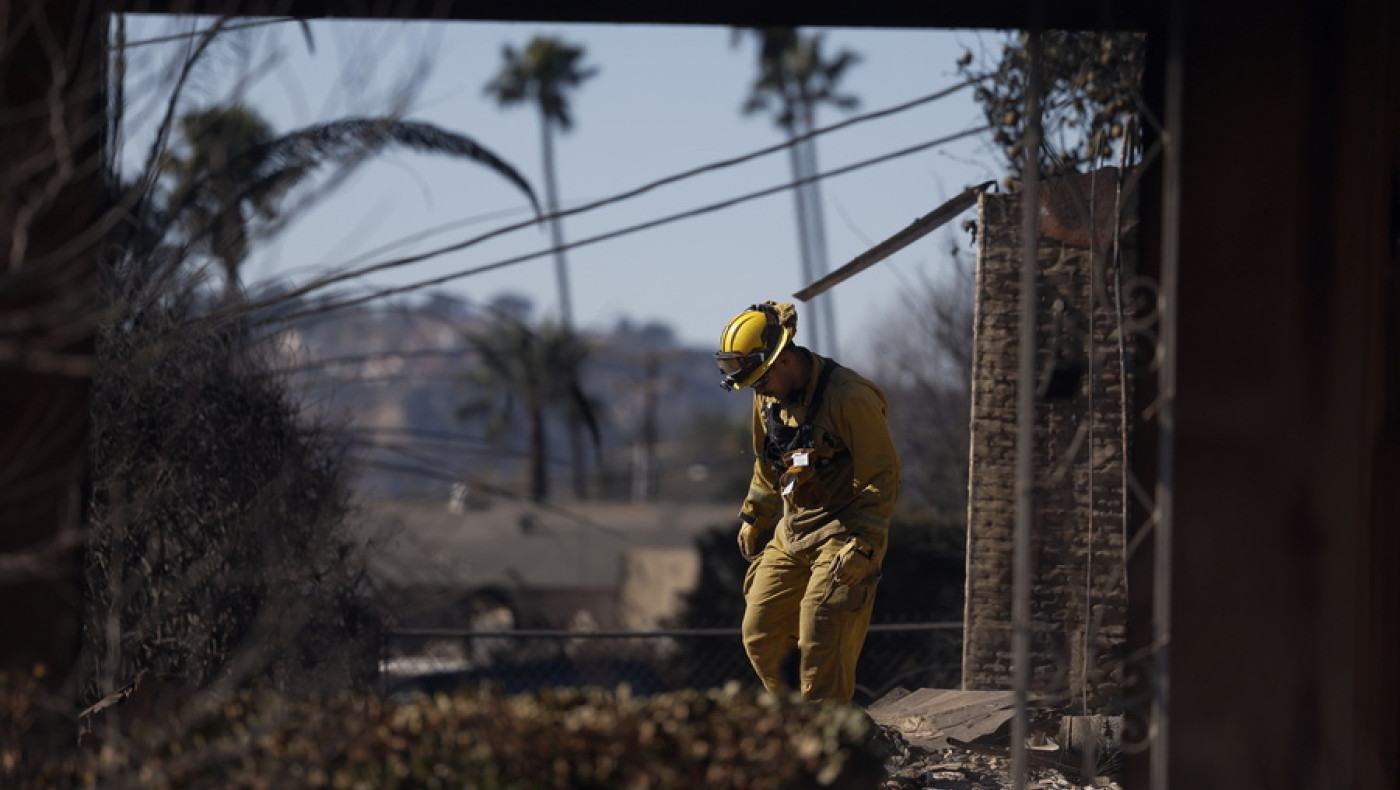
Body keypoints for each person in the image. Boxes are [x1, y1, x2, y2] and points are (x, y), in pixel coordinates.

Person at [713, 300, 901, 705]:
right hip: (793, 531)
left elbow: (882, 475)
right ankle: (795, 720)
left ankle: (827, 729)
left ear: (784, 360)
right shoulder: (767, 396)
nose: (758, 391)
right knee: (759, 633)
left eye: (761, 381)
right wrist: (755, 515)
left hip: (845, 532)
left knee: (821, 630)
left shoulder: (849, 397)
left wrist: (865, 544)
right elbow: (768, 462)